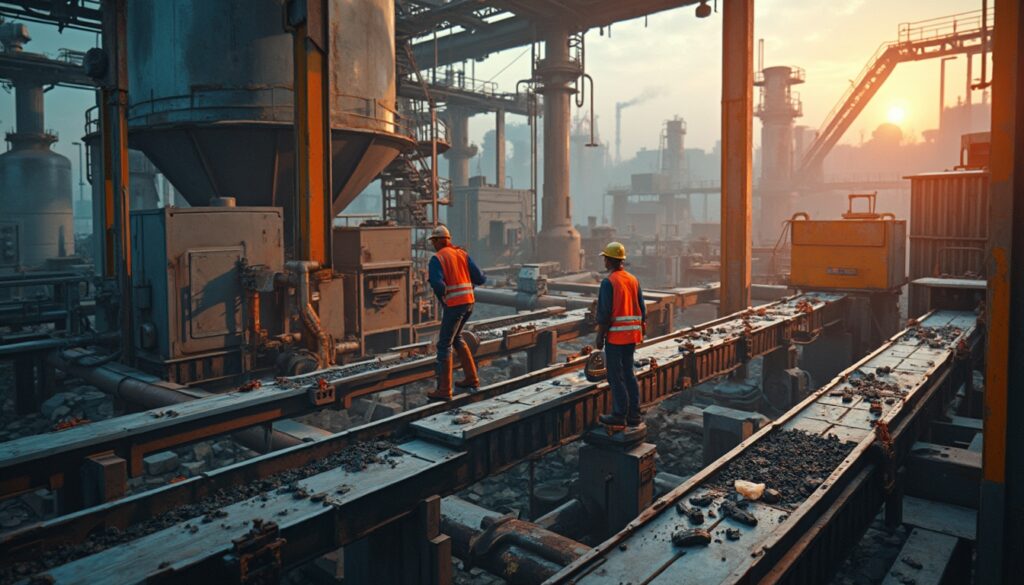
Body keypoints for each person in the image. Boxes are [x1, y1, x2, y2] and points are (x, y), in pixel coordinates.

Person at [425, 225, 487, 401]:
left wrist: (443, 292)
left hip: (454, 305)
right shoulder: (462, 254)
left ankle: (444, 389)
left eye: (433, 241)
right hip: (469, 302)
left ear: (438, 241)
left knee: (444, 345)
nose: (433, 245)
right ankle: (472, 379)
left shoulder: (437, 258)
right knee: (457, 338)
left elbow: (437, 284)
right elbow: (481, 278)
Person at [594, 241, 646, 427]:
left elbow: (605, 314)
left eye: (606, 259)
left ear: (609, 260)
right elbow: (642, 309)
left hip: (616, 338)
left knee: (615, 376)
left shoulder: (609, 282)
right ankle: (634, 415)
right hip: (632, 336)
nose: (605, 262)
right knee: (628, 373)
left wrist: (600, 336)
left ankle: (618, 415)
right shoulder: (633, 279)